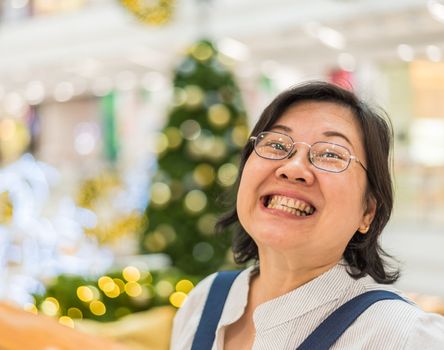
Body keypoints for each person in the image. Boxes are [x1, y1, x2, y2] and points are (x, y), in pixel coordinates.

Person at [170, 81, 444, 349]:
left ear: (368, 212)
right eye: (277, 145)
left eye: (330, 154)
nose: (294, 168)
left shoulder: (405, 337)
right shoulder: (205, 301)